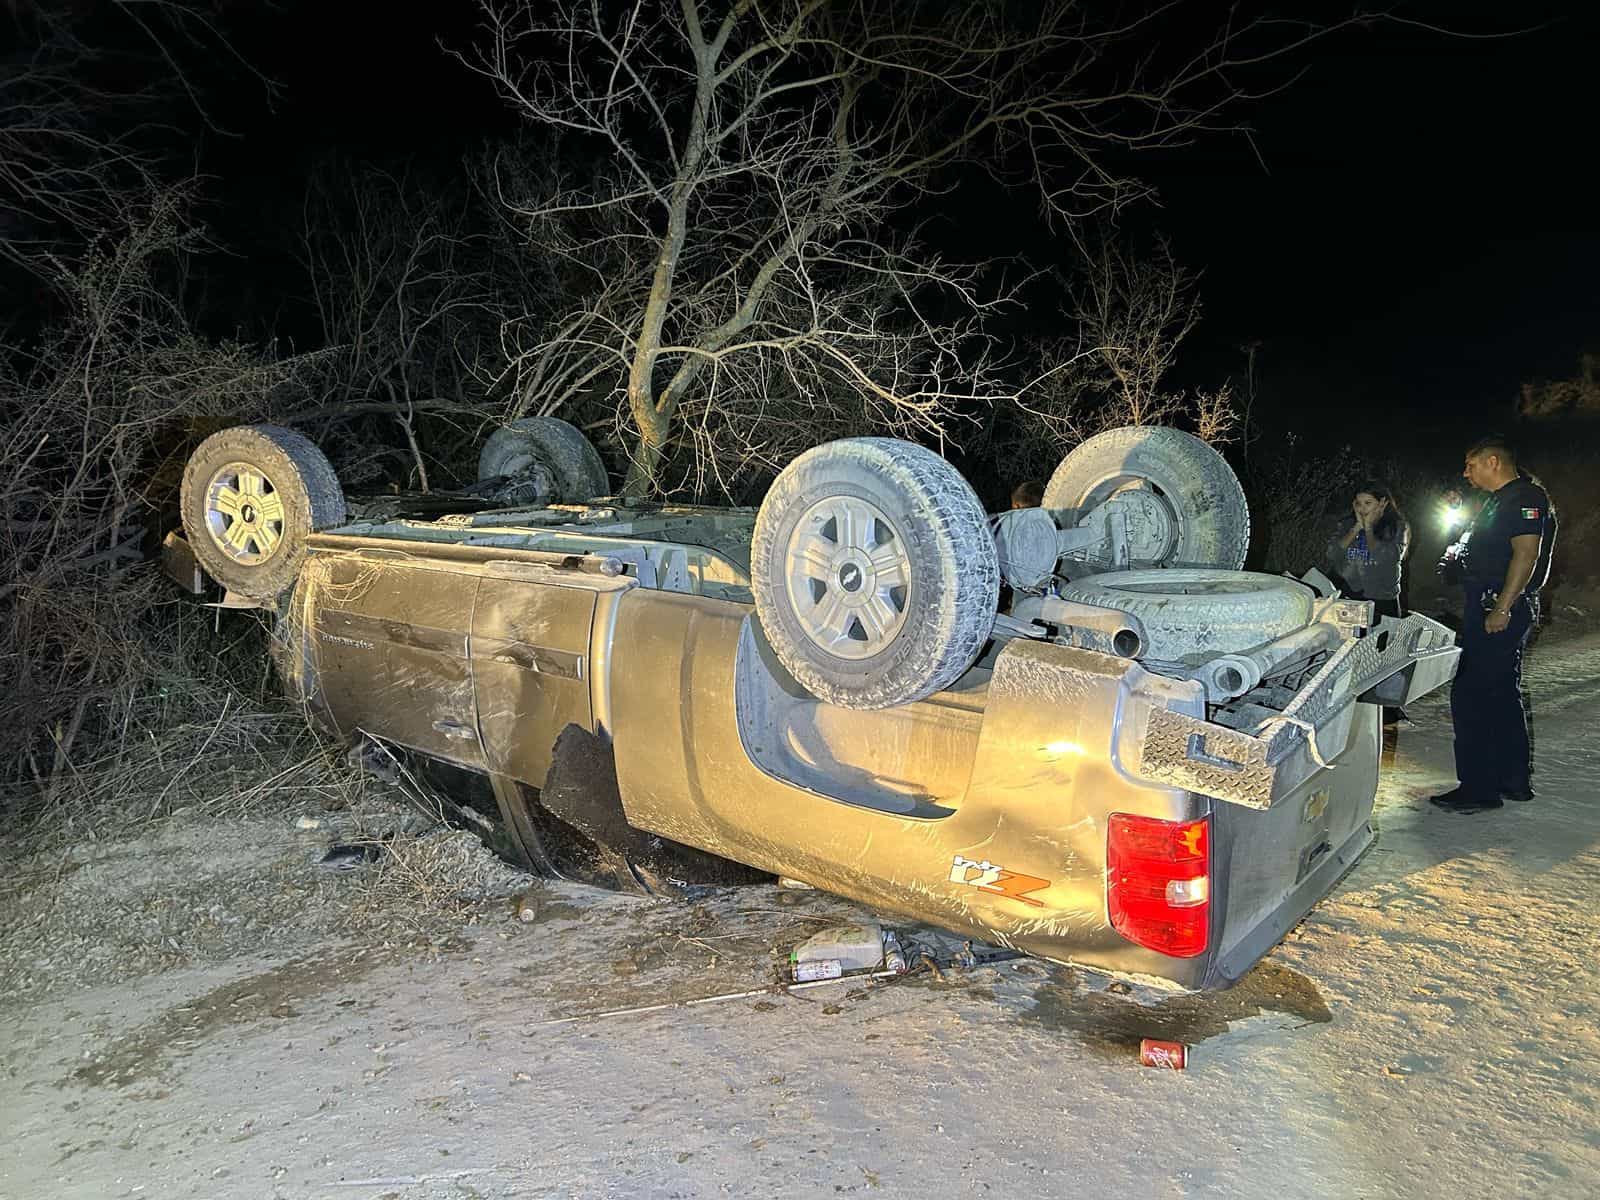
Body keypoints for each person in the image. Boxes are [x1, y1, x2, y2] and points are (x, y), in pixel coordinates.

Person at [1430, 435, 1556, 815]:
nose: (1465, 472)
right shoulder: (1497, 502)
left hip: (1498, 606)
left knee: (1472, 695)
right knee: (1501, 694)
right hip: (1487, 602)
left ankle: (1478, 788)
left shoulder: (1524, 498)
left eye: (1471, 465)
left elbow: (1526, 554)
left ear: (1493, 462)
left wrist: (1502, 607)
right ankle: (1512, 781)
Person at [1324, 480, 1410, 620]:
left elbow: (1386, 559)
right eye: (1358, 503)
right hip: (1347, 594)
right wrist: (1357, 527)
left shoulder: (1397, 527)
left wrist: (1369, 528)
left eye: (1368, 503)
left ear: (1383, 503)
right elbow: (1332, 554)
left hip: (1381, 599)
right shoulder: (1347, 523)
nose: (1362, 509)